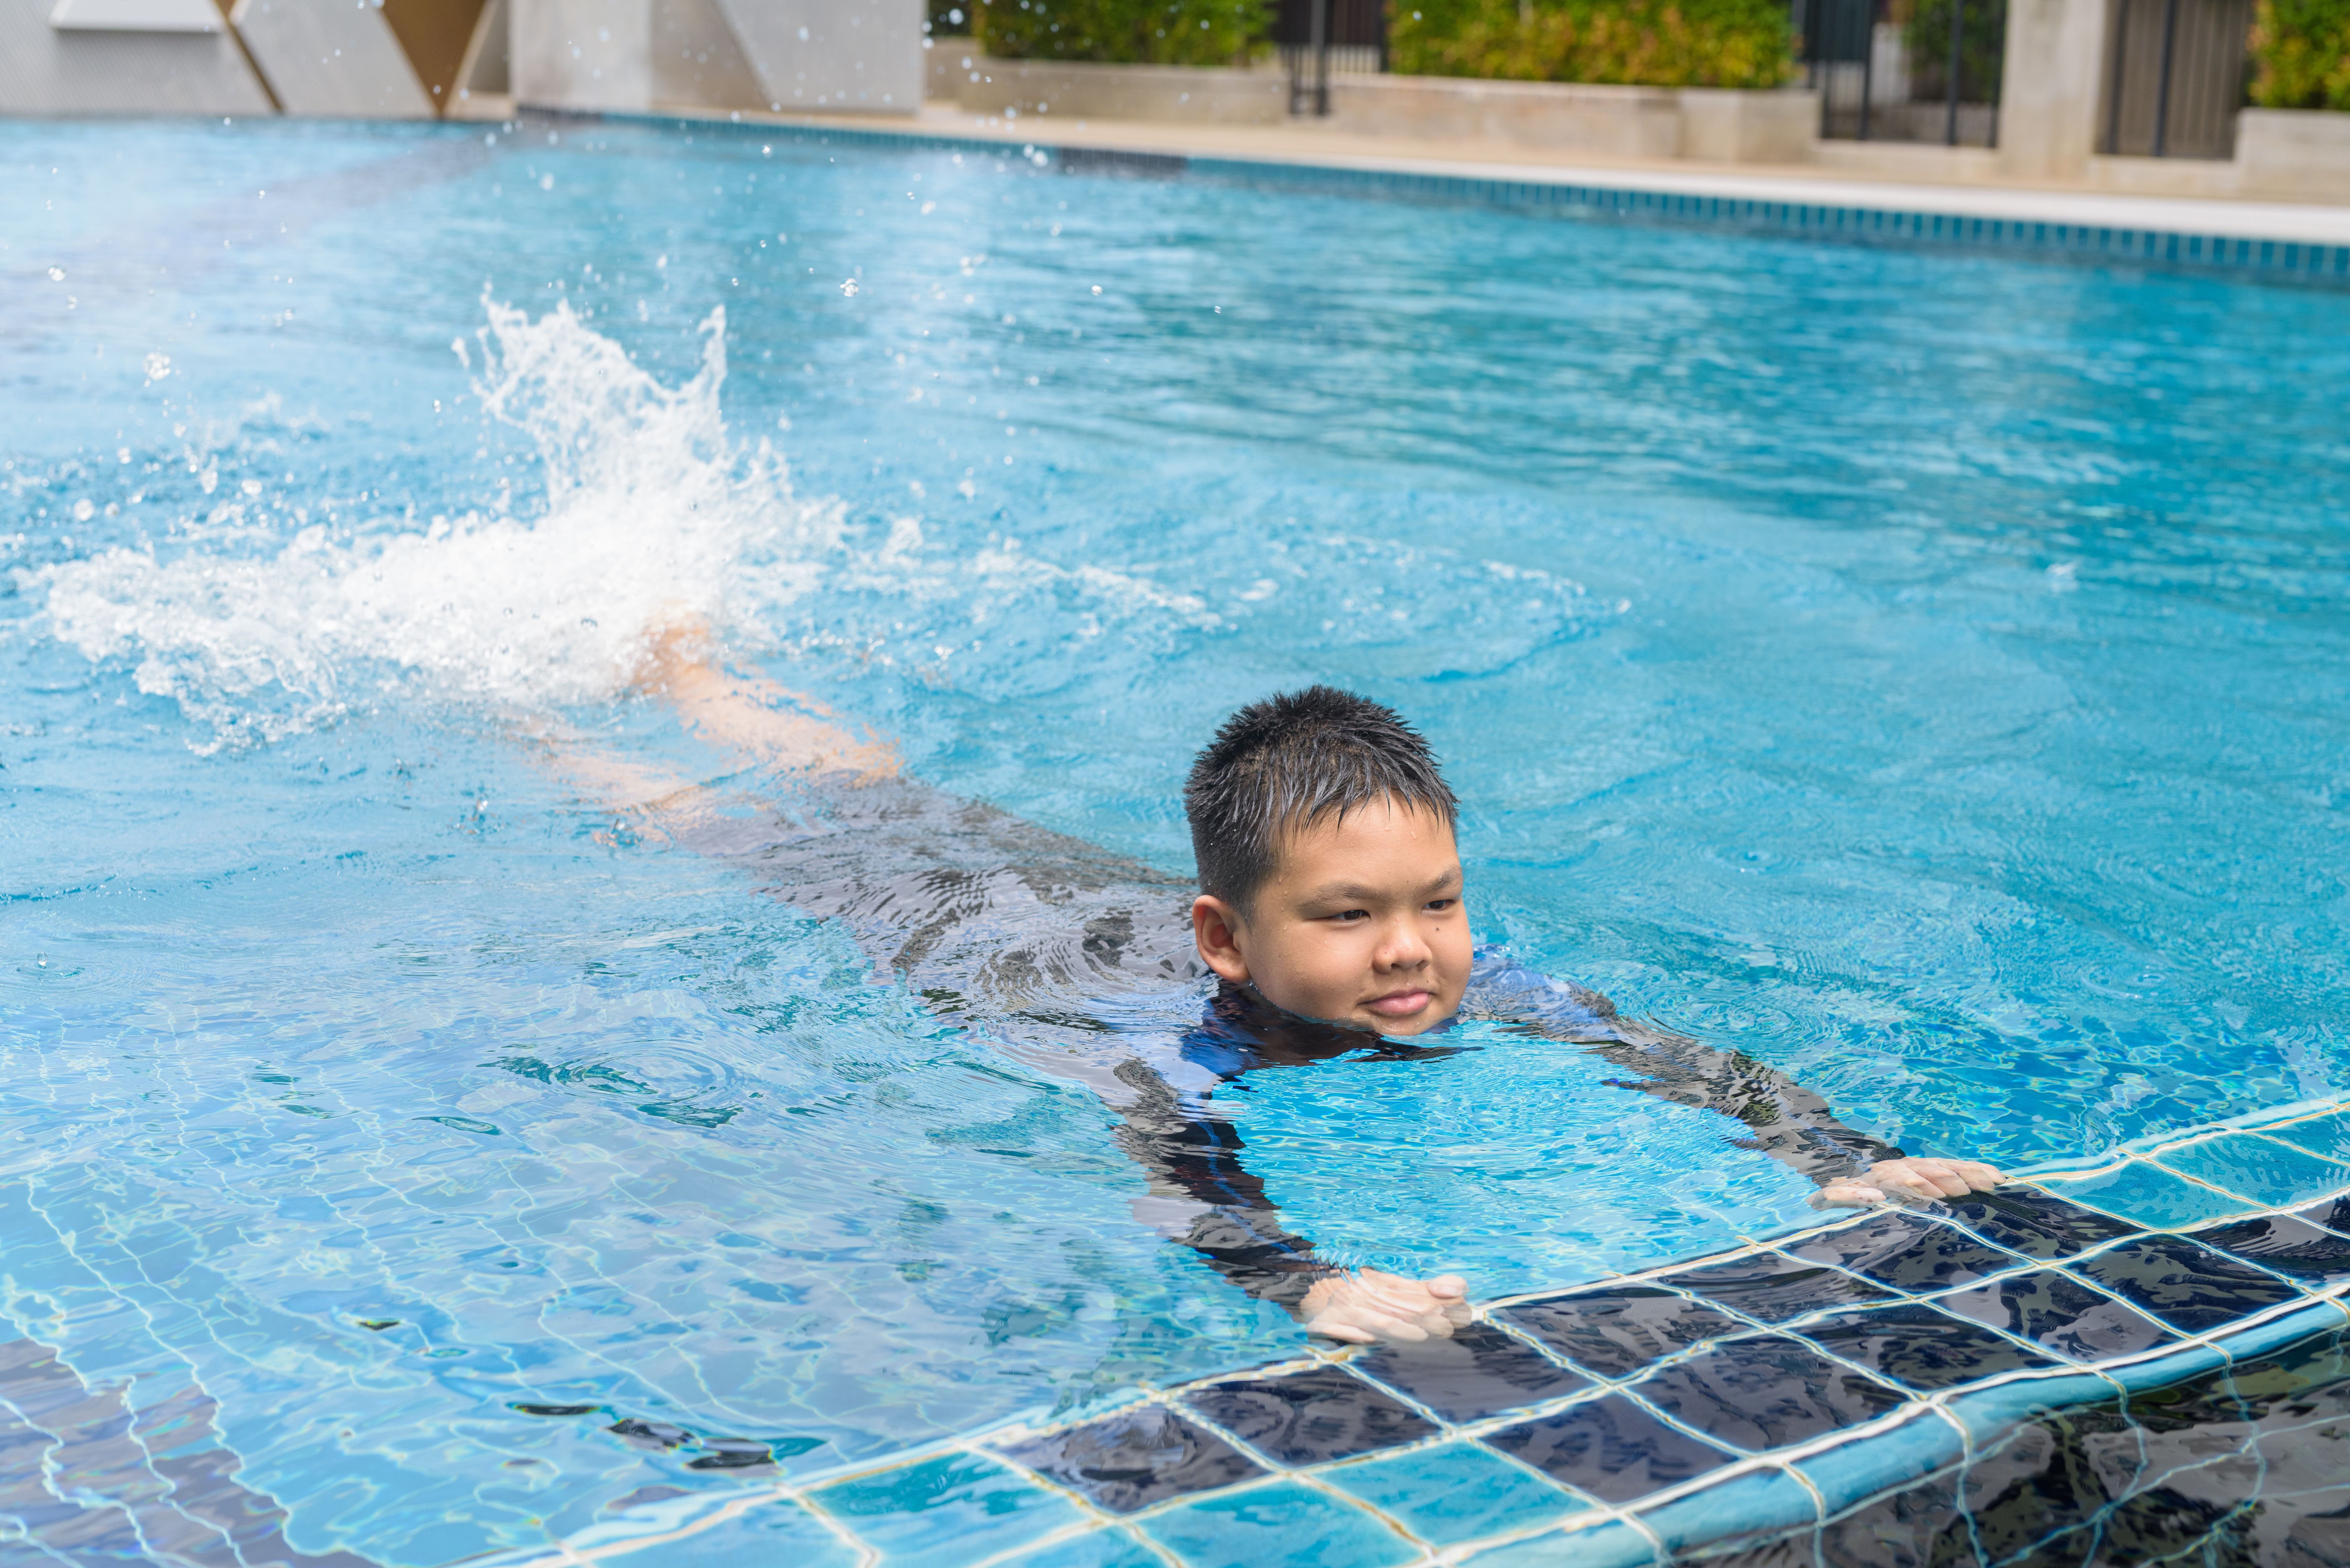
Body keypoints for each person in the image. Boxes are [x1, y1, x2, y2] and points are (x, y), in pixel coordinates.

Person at [539, 632, 2001, 1347]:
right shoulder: (1177, 1041)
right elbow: (1175, 1173)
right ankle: (533, 716)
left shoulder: (1470, 975)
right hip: (957, 929)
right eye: (1351, 916)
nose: (1411, 949)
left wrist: (1839, 1160)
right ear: (1228, 943)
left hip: (1049, 875)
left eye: (1436, 902)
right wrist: (1303, 1282)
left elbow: (1690, 1062)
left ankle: (686, 662)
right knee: (746, 830)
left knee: (884, 783)